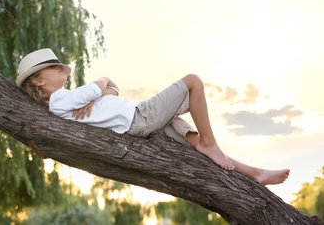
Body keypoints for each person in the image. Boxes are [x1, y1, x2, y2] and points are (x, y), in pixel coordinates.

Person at [17, 48, 290, 185]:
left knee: (190, 138)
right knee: (193, 81)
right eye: (54, 68)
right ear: (39, 81)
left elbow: (112, 91)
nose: (60, 69)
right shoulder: (59, 100)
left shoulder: (68, 100)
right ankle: (210, 142)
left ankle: (254, 173)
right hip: (140, 116)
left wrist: (102, 90)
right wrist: (100, 83)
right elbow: (101, 87)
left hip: (139, 119)